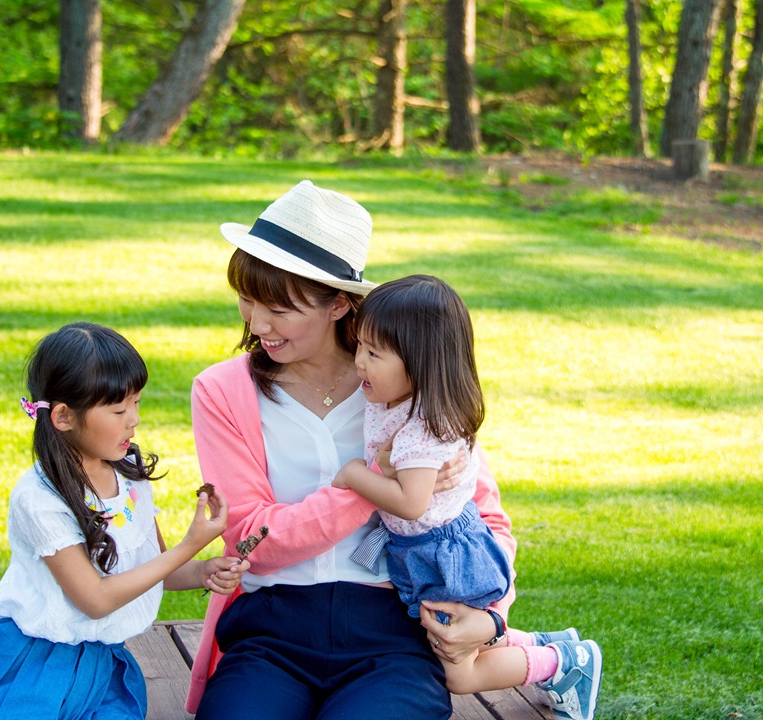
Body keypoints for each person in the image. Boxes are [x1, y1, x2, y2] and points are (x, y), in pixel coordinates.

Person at [184, 181, 517, 720]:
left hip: (393, 635)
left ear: (340, 303)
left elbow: (483, 521)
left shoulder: (408, 386)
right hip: (270, 633)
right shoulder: (223, 391)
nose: (255, 323)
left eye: (279, 309)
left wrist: (492, 618)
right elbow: (249, 538)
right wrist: (375, 485)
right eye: (247, 300)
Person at [0, 322, 247, 720]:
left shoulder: (128, 474)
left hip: (103, 669)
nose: (134, 420)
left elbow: (155, 570)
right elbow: (95, 599)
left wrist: (204, 569)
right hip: (36, 667)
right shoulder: (39, 499)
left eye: (137, 403)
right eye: (119, 409)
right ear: (64, 417)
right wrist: (190, 545)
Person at [333, 274, 602, 720]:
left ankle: (565, 663)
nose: (359, 362)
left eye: (373, 353)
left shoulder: (424, 430)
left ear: (420, 364)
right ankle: (544, 646)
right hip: (422, 551)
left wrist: (355, 474)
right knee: (461, 645)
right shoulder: (399, 402)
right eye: (359, 346)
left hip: (446, 558)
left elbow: (410, 503)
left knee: (459, 673)